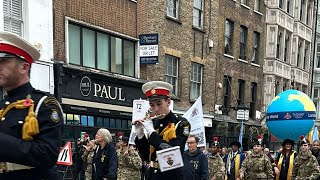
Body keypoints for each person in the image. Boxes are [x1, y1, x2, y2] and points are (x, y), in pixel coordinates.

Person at [0, 31, 63, 179]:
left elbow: (48, 154)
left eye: (4, 61)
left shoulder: (44, 104)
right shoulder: (2, 106)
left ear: (24, 68)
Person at [134, 81, 191, 180]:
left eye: (159, 104)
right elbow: (147, 156)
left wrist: (151, 132)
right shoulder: (153, 123)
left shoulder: (180, 123)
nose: (156, 109)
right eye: (152, 105)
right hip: (152, 175)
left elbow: (172, 153)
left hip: (171, 176)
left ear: (168, 102)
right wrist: (140, 136)